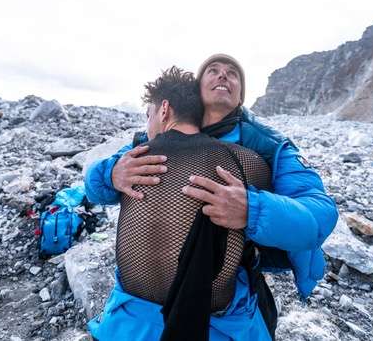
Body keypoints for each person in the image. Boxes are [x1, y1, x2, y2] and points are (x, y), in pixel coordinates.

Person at [86, 54, 338, 340]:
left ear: (241, 95)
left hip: (226, 288)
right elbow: (94, 188)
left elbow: (320, 214)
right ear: (197, 89)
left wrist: (253, 209)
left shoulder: (269, 147)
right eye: (213, 70)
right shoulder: (150, 142)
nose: (223, 76)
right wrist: (111, 174)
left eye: (233, 73)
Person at [95, 66, 273, 340]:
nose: (148, 125)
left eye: (149, 115)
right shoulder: (245, 161)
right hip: (211, 327)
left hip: (128, 328)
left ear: (164, 110)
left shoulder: (129, 163)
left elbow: (93, 189)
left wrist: (109, 172)